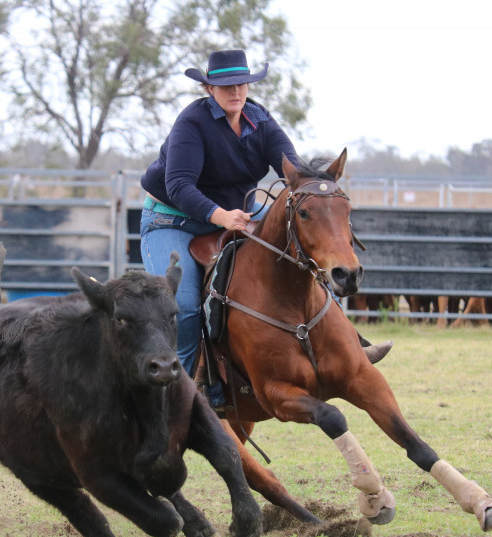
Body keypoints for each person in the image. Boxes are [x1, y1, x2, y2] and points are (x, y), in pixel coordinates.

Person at [139, 49, 391, 391]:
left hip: (237, 213)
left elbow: (293, 169)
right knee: (182, 305)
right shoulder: (192, 123)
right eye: (225, 85)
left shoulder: (260, 120)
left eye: (241, 83)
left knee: (302, 249)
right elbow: (178, 185)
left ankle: (349, 346)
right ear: (209, 89)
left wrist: (316, 187)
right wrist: (221, 216)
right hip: (172, 219)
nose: (235, 91)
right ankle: (181, 390)